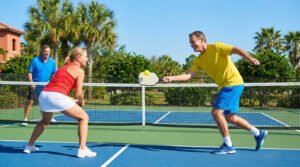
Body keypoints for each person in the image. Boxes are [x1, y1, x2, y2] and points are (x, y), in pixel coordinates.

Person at [163, 31, 268, 154]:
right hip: (229, 85)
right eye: (190, 43)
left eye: (193, 42)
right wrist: (171, 78)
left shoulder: (217, 47)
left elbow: (235, 49)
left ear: (202, 40)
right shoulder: (199, 60)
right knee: (230, 117)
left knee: (216, 113)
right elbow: (188, 75)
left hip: (232, 83)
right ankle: (258, 133)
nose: (191, 45)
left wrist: (249, 58)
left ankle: (228, 145)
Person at [23, 48, 96, 158]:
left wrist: (73, 100)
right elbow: (79, 93)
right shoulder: (80, 71)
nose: (87, 59)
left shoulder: (63, 68)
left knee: (45, 121)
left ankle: (29, 146)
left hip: (44, 95)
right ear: (78, 57)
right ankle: (82, 149)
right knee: (84, 117)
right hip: (55, 96)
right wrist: (81, 101)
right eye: (85, 56)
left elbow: (58, 91)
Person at [21, 45, 57, 126]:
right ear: (42, 52)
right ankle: (25, 119)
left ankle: (49, 117)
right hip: (35, 85)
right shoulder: (35, 60)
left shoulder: (52, 62)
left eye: (48, 51)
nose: (47, 53)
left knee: (48, 102)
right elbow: (29, 72)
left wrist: (53, 82)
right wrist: (31, 82)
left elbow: (54, 73)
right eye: (45, 51)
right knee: (30, 101)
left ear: (50, 52)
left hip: (46, 86)